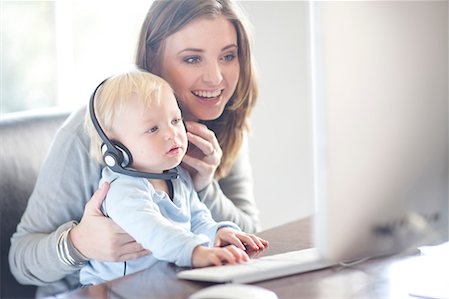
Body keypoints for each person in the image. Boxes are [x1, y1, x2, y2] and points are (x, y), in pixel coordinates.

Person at [9, 0, 260, 289]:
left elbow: (251, 236)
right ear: (152, 60)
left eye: (228, 56)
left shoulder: (219, 120)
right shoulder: (90, 132)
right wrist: (78, 244)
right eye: (192, 59)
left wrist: (203, 187)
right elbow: (21, 262)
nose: (216, 77)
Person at [80, 69, 267, 285]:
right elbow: (155, 232)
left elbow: (197, 218)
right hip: (110, 289)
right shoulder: (122, 190)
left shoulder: (177, 176)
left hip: (158, 281)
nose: (172, 133)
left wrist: (219, 231)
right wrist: (195, 252)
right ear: (115, 149)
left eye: (176, 120)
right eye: (152, 129)